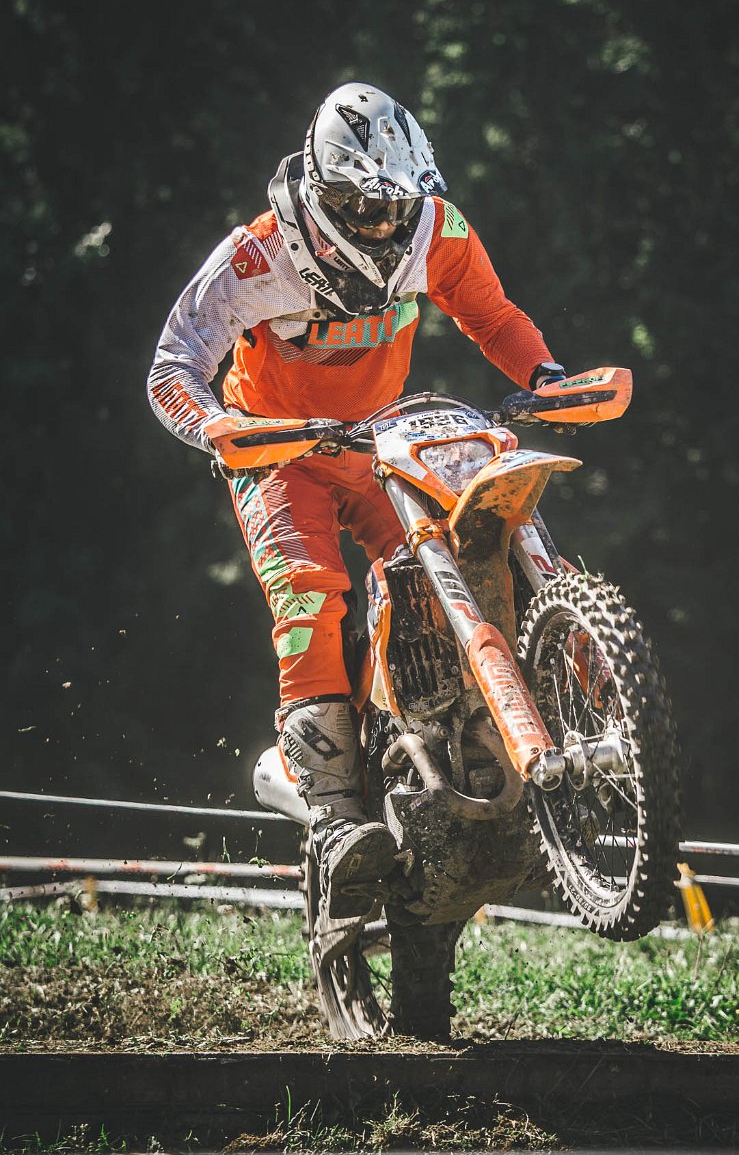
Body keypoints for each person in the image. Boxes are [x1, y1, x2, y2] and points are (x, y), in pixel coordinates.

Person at [147, 82, 565, 914]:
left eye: (393, 206)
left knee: (453, 559)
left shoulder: (438, 230)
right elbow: (172, 366)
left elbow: (491, 316)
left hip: (379, 441)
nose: (379, 224)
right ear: (317, 191)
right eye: (360, 206)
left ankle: (457, 732)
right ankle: (335, 810)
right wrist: (219, 427)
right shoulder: (256, 257)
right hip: (279, 450)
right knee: (309, 592)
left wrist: (545, 375)